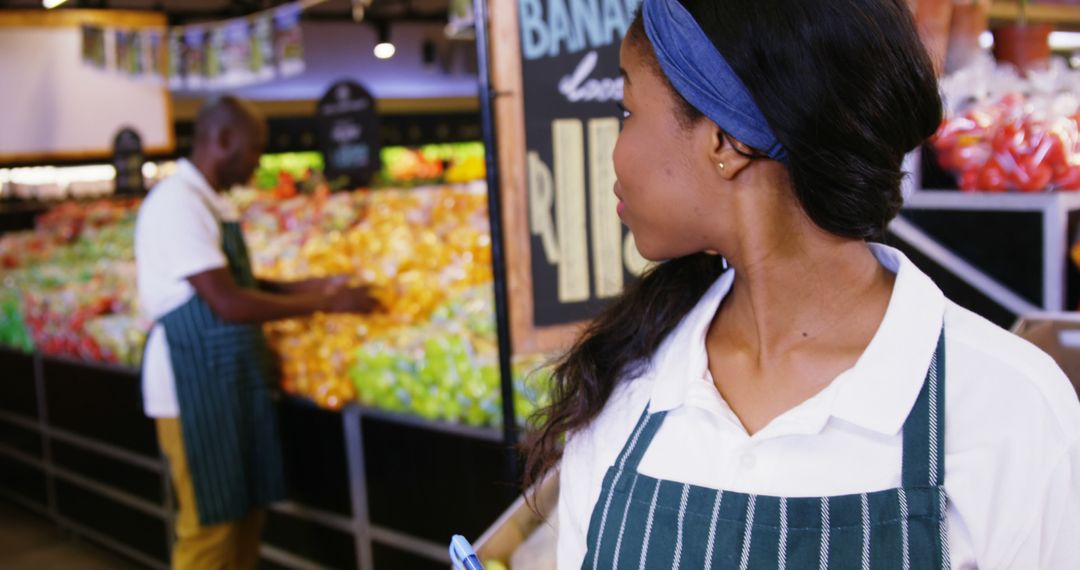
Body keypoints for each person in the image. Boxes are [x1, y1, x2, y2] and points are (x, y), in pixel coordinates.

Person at [523, 1, 1080, 568]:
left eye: (627, 112)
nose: (615, 151)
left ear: (725, 142)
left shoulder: (1010, 410)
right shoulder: (630, 384)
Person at [135, 96, 378, 569]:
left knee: (245, 516)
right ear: (223, 140)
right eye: (254, 148)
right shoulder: (177, 204)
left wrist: (312, 284)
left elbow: (237, 282)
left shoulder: (209, 201)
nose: (258, 160)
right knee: (211, 525)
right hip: (192, 387)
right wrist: (326, 303)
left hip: (225, 381)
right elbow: (228, 302)